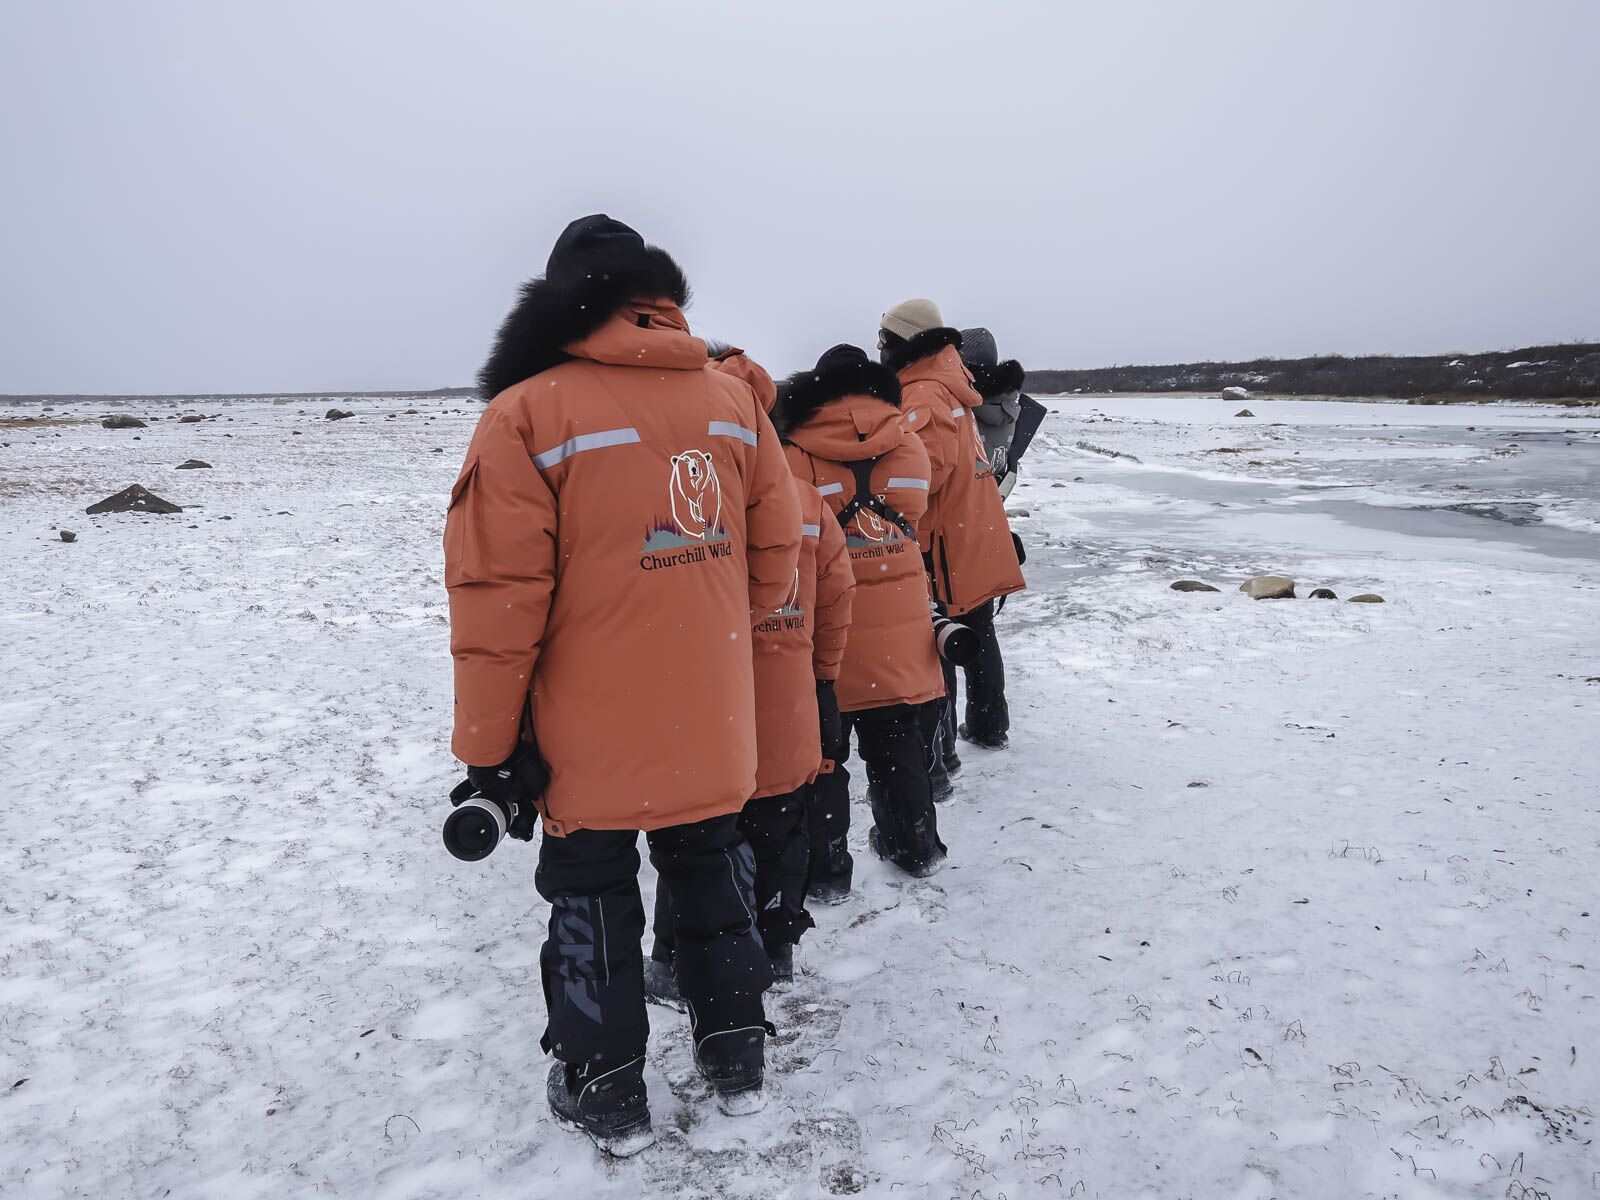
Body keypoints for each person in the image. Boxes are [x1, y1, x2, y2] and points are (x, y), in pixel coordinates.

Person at [446, 215, 801, 1155]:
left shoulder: (528, 413)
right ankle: (736, 1054)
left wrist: (487, 749)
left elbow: (496, 604)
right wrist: (716, 617)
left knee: (591, 890)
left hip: (586, 723)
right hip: (712, 700)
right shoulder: (732, 400)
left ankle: (603, 1088)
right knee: (712, 868)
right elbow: (776, 555)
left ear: (560, 295)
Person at [645, 347, 855, 1001]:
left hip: (702, 707)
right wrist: (823, 679)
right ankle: (779, 941)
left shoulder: (672, 498)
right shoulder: (803, 500)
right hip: (787, 700)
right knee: (781, 832)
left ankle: (674, 955)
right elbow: (840, 595)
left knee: (696, 844)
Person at [777, 344, 947, 880]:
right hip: (900, 624)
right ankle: (915, 845)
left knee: (824, 756)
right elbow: (917, 513)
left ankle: (827, 868)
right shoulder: (912, 447)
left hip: (829, 622)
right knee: (899, 741)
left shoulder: (794, 455)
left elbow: (791, 529)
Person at [878, 300, 1025, 775]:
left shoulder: (921, 394)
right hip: (971, 534)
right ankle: (988, 725)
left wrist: (888, 515)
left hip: (942, 545)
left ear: (903, 342)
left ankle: (939, 758)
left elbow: (926, 476)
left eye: (884, 339)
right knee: (978, 632)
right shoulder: (951, 386)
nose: (878, 348)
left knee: (934, 643)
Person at [951, 326, 1027, 748]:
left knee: (942, 633)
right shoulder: (1011, 407)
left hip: (958, 528)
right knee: (981, 631)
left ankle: (941, 747)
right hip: (989, 526)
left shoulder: (962, 406)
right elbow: (1006, 466)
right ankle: (989, 725)